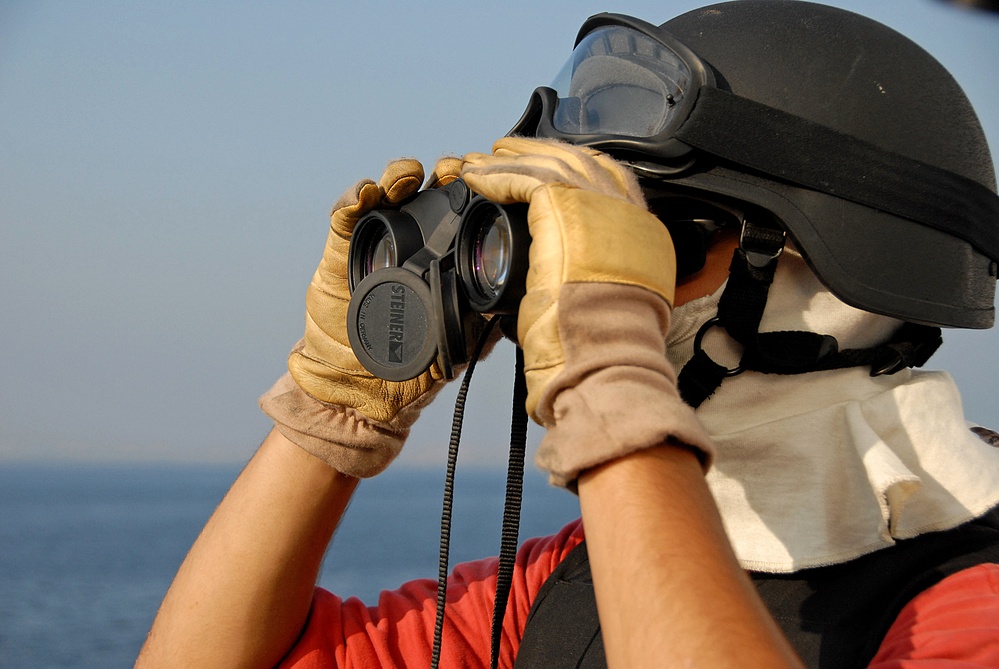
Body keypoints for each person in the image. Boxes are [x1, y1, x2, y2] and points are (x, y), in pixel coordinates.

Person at [136, 2, 999, 667]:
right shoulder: (568, 584)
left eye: (651, 242)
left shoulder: (971, 600)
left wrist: (610, 381)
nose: (583, 285)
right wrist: (330, 408)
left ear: (836, 274)